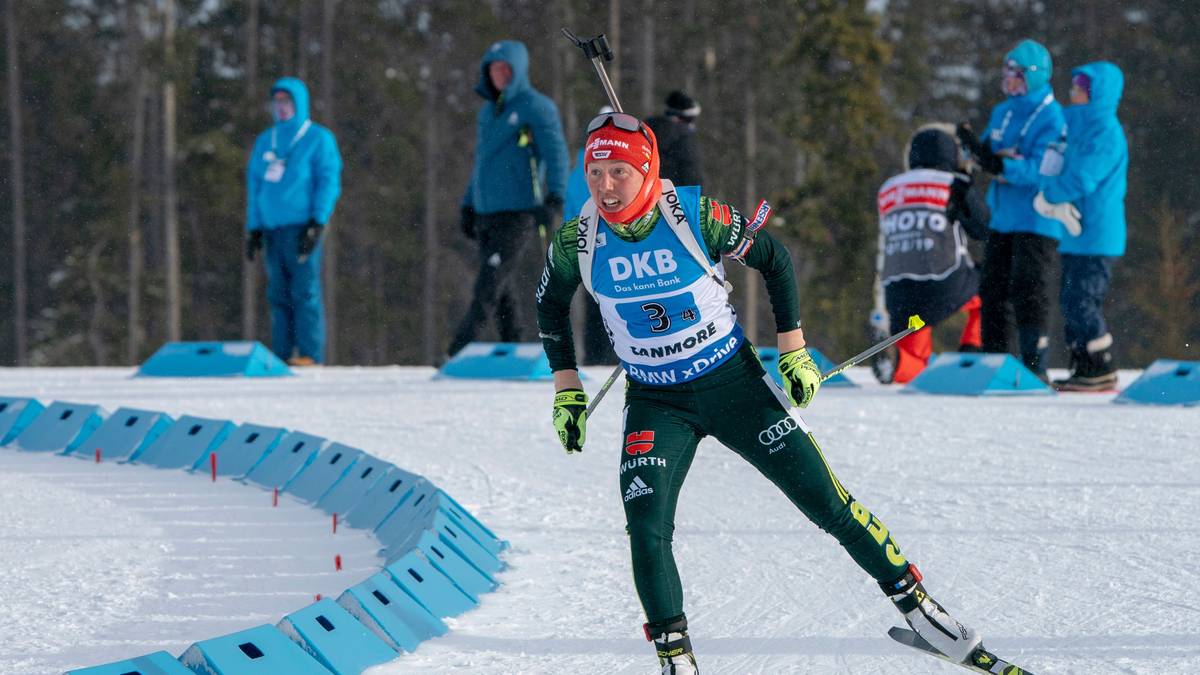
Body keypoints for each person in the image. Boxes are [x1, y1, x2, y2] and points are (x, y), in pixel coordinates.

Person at [537, 112, 999, 674]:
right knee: (647, 528)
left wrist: (793, 350)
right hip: (657, 401)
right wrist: (567, 390)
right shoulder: (577, 241)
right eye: (595, 172)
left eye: (619, 172)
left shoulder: (692, 216)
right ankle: (676, 660)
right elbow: (549, 308)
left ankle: (923, 612)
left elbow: (774, 259)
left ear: (646, 169)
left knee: (827, 504)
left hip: (734, 385)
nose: (605, 187)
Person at [449, 40, 569, 357]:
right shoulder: (488, 112)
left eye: (506, 69)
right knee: (501, 289)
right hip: (486, 211)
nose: (499, 75)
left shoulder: (536, 107)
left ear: (518, 71)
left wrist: (555, 196)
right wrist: (468, 204)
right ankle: (511, 345)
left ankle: (459, 348)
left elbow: (555, 153)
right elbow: (482, 162)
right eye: (494, 69)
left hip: (519, 212)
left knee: (489, 283)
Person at [957, 39, 1066, 381]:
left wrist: (1002, 166)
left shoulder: (1052, 117)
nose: (1009, 81)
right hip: (1003, 218)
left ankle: (1035, 364)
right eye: (1006, 73)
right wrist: (974, 150)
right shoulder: (1003, 112)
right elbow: (989, 151)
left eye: (1017, 74)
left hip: (1037, 219)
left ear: (1034, 76)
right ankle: (995, 360)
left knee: (1029, 289)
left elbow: (1042, 170)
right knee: (992, 290)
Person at [1034, 62, 1128, 391]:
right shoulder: (1074, 128)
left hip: (1097, 233)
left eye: (1081, 88)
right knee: (1070, 300)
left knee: (1082, 300)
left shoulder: (1105, 132)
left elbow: (1083, 177)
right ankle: (1083, 365)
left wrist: (1050, 194)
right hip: (1074, 233)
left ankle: (1101, 364)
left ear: (1097, 94)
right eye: (1073, 86)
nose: (1073, 93)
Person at [875, 124, 990, 384]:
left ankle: (897, 362)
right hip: (945, 283)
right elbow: (983, 228)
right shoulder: (953, 183)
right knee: (992, 286)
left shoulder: (888, 188)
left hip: (899, 290)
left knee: (915, 358)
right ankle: (972, 351)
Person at [245, 77, 342, 366]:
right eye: (277, 102)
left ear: (299, 103)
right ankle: (282, 353)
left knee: (304, 290)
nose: (282, 107)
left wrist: (318, 221)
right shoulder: (267, 140)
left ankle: (310, 353)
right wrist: (254, 227)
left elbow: (328, 181)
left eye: (287, 101)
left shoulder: (318, 139)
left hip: (302, 226)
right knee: (277, 293)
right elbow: (255, 185)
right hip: (272, 228)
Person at [644, 90, 704, 187]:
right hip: (675, 193)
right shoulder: (685, 138)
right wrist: (696, 194)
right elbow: (692, 173)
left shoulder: (645, 130)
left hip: (647, 190)